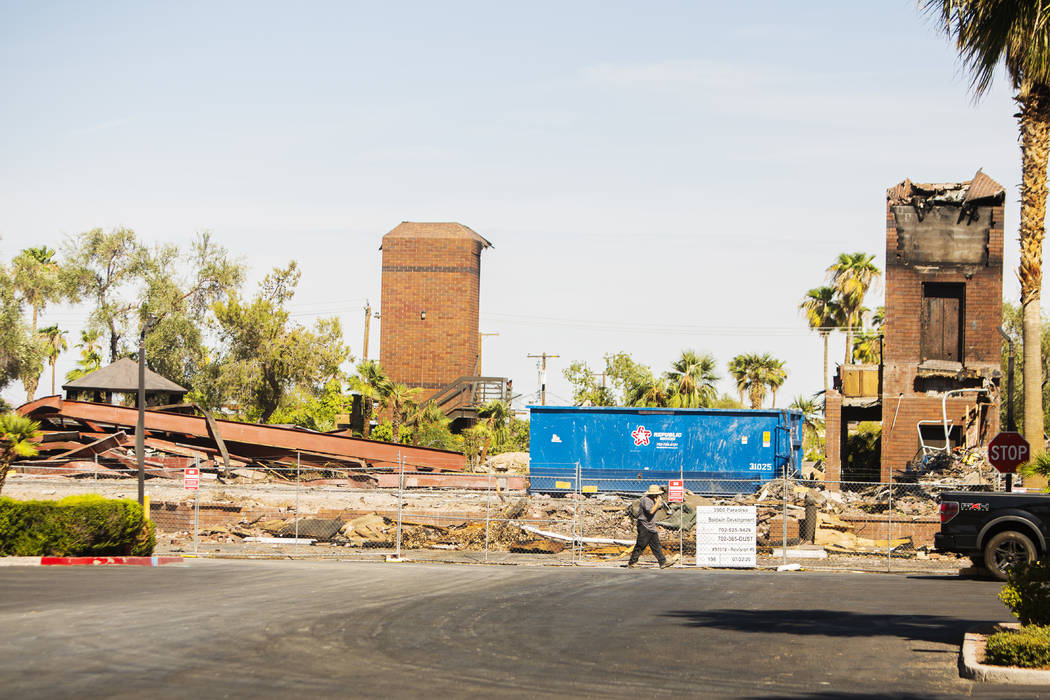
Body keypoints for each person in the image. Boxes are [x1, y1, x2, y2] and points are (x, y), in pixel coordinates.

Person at [627, 484, 672, 568]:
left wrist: (658, 503)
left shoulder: (653, 500)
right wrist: (658, 503)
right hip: (644, 525)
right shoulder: (646, 500)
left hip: (650, 525)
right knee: (641, 544)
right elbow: (651, 511)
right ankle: (632, 562)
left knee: (656, 545)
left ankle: (662, 562)